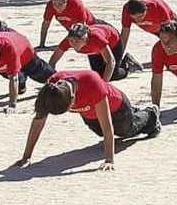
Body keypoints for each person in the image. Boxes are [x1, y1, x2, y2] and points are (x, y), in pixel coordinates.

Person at [13, 71, 161, 171]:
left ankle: (151, 114)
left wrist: (109, 159)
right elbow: (38, 122)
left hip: (117, 107)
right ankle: (136, 112)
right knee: (99, 133)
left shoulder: (92, 82)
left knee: (126, 131)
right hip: (90, 113)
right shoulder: (52, 90)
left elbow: (107, 124)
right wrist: (26, 156)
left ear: (73, 99)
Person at [47, 22, 139, 82]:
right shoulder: (68, 40)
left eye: (77, 41)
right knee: (97, 76)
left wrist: (104, 85)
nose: (73, 44)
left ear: (85, 39)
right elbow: (53, 60)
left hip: (113, 43)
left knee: (112, 75)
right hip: (94, 51)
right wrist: (50, 78)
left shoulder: (96, 38)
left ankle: (127, 65)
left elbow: (111, 61)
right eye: (71, 41)